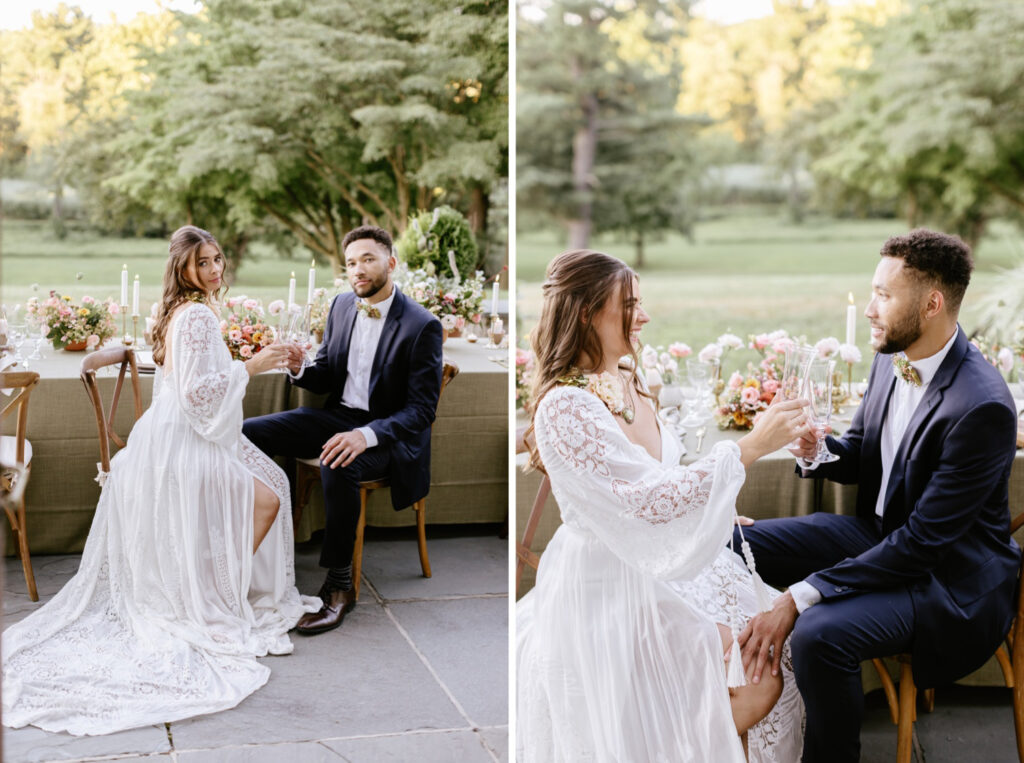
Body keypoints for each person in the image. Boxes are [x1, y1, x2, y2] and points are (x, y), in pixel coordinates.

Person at [2, 225, 320, 735]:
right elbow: (197, 399)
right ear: (183, 270)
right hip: (183, 441)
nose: (215, 270)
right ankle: (215, 591)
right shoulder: (194, 315)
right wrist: (252, 367)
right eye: (204, 264)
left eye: (218, 259)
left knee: (272, 485)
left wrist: (239, 364)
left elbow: (189, 384)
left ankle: (214, 580)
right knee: (269, 495)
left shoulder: (185, 310)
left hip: (176, 432)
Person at [736, 229, 1020, 763]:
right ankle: (734, 710)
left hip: (946, 581)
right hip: (880, 539)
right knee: (734, 544)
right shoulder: (893, 354)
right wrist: (820, 449)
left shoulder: (982, 406)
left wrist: (799, 595)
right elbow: (867, 452)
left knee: (818, 635)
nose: (869, 309)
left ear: (932, 303)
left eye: (883, 296)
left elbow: (923, 545)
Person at [517, 249, 810, 762]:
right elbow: (645, 500)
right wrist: (752, 446)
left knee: (775, 637)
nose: (645, 315)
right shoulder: (565, 406)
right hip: (608, 582)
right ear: (587, 313)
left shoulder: (629, 378)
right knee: (756, 677)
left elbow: (662, 477)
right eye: (629, 304)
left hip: (660, 561)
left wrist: (709, 511)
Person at [243, 225, 443, 635]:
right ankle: (251, 549)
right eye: (351, 263)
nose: (358, 270)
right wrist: (300, 367)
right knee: (247, 432)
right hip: (339, 417)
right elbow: (328, 373)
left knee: (338, 460)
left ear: (391, 262)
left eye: (368, 259)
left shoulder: (423, 325)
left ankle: (340, 586)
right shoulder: (340, 306)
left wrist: (365, 436)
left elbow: (422, 411)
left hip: (389, 435)